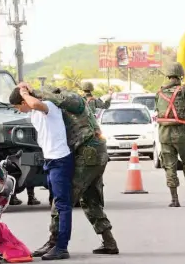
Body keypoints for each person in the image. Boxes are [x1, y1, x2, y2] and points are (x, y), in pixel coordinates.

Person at [19, 83, 119, 257]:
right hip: (89, 154)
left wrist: (31, 92)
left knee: (63, 197)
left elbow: (56, 99)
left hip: (90, 153)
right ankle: (109, 241)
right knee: (89, 199)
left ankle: (55, 242)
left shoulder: (73, 99)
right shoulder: (58, 106)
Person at [10, 87, 74, 260]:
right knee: (55, 204)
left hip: (60, 160)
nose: (18, 110)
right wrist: (23, 88)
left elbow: (35, 103)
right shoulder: (33, 113)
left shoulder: (49, 106)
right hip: (50, 161)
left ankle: (62, 247)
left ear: (25, 101)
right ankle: (54, 244)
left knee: (63, 205)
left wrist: (24, 93)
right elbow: (31, 103)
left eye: (18, 106)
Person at [154, 62, 185, 207]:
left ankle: (174, 199)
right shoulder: (184, 91)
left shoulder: (159, 92)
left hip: (164, 134)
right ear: (181, 75)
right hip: (182, 134)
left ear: (168, 75)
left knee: (169, 166)